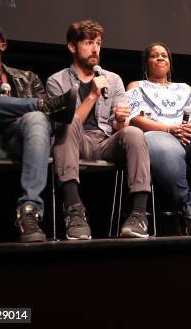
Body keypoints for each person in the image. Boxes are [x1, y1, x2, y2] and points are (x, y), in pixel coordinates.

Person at [0, 18, 77, 242]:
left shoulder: (28, 78)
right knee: (37, 109)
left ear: (2, 45)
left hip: (20, 142)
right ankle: (35, 104)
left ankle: (29, 211)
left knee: (37, 117)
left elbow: (49, 123)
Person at [47, 20, 152, 240]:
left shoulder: (113, 80)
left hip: (105, 141)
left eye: (98, 43)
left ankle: (139, 214)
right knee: (69, 123)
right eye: (88, 42)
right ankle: (74, 210)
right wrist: (93, 95)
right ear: (72, 47)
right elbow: (65, 122)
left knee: (134, 132)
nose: (95, 48)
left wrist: (122, 120)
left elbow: (119, 129)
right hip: (74, 142)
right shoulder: (56, 81)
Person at [127, 42, 191, 235]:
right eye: (154, 56)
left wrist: (188, 128)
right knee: (167, 149)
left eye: (164, 55)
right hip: (157, 133)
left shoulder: (184, 87)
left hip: (186, 133)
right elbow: (134, 118)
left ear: (170, 63)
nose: (160, 58)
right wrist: (169, 129)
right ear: (146, 63)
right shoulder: (136, 86)